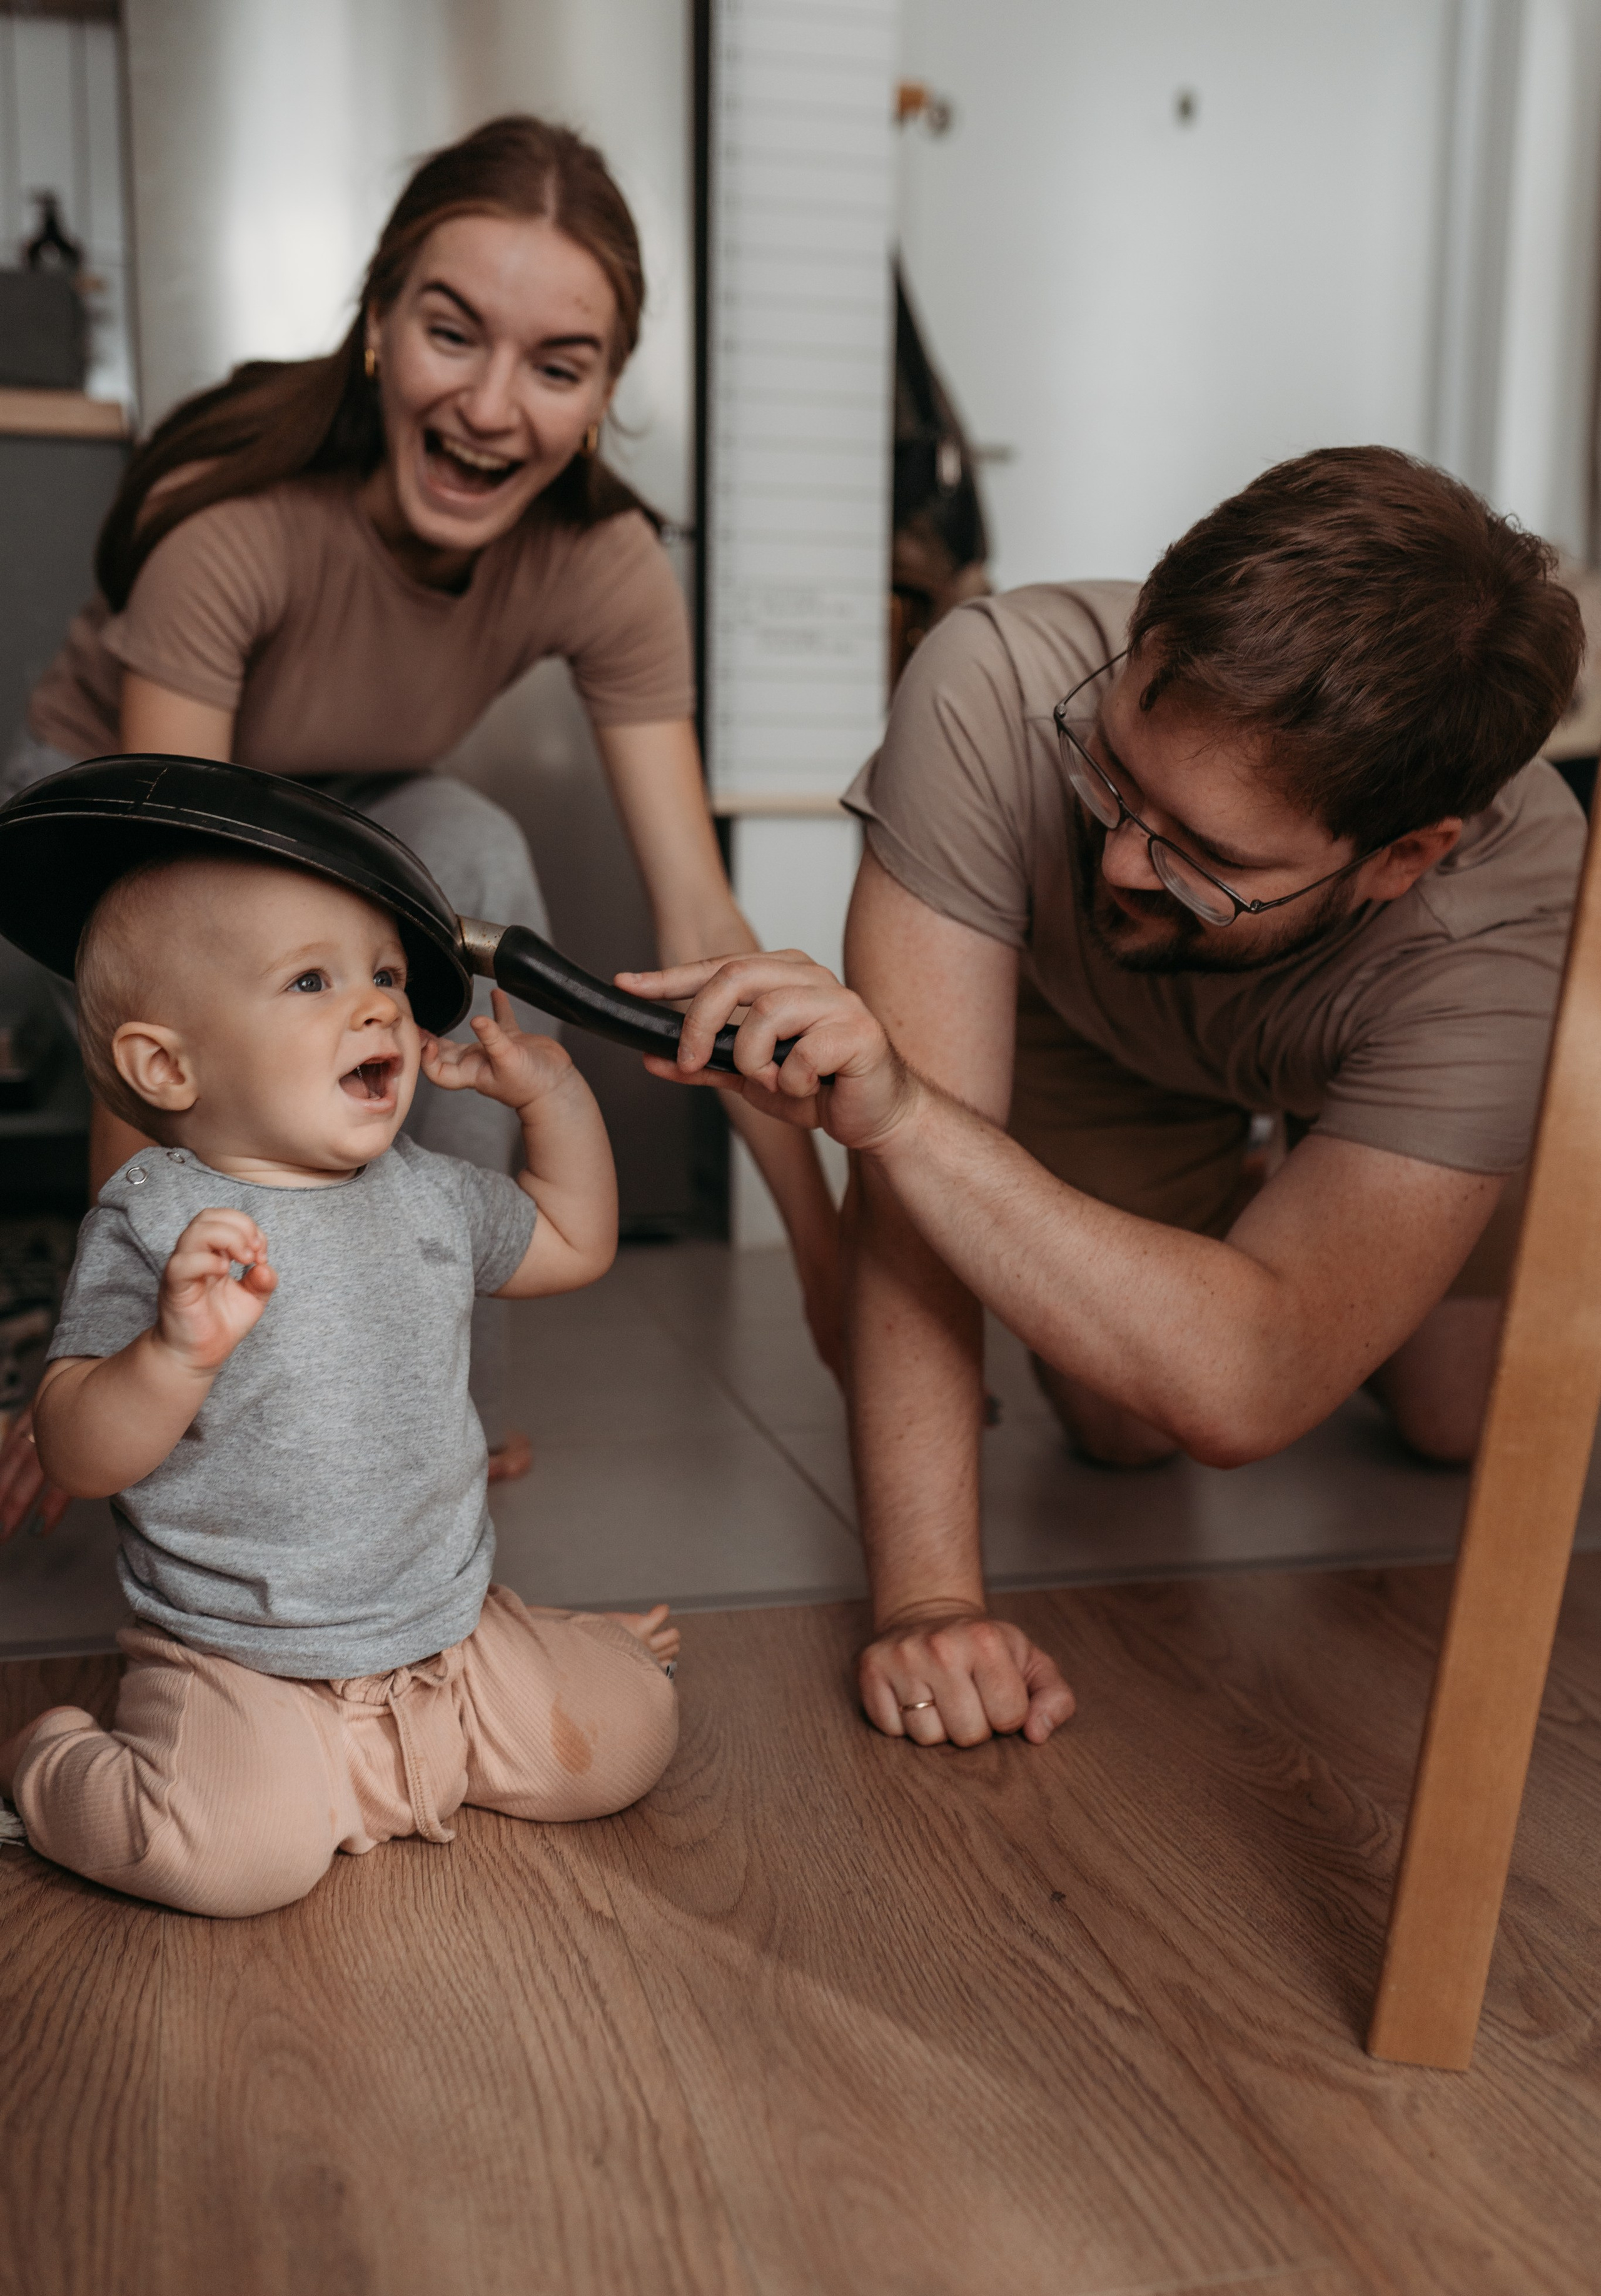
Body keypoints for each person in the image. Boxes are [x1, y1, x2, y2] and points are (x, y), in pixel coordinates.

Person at [619, 448, 1587, 1750]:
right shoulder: (993, 687)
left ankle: (1302, 1211)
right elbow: (912, 1185)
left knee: (1452, 1415)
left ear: (1398, 862)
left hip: (1393, 1055)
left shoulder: (1517, 929)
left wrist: (917, 1121)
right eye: (1114, 775)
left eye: (1207, 856)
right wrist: (926, 1599)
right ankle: (1259, 1220)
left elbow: (1248, 1386)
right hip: (1100, 1041)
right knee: (1123, 1424)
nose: (1120, 862)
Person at [0, 112, 839, 1533]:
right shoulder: (238, 523)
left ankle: (435, 1396)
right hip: (118, 806)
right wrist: (109, 1367)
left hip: (346, 799)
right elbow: (159, 934)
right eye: (454, 333)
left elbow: (704, 932)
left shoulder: (602, 561)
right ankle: (203, 1367)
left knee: (476, 863)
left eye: (557, 367)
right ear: (380, 322)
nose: (495, 407)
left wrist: (827, 1277)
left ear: (603, 392)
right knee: (232, 981)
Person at [0, 843, 678, 1916]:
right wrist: (172, 1357)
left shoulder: (430, 1195)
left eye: (388, 977)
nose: (376, 1009)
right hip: (242, 1659)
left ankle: (545, 1659)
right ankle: (55, 1766)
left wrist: (555, 1103)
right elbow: (78, 1449)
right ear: (167, 1068)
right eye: (313, 981)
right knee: (229, 1863)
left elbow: (573, 1240)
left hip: (445, 1634)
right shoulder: (157, 1223)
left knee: (626, 1742)